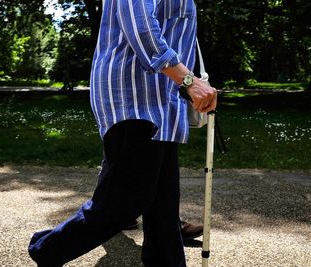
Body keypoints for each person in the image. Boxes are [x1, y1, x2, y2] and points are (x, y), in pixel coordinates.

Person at [28, 0, 217, 266]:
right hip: (134, 98)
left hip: (162, 100)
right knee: (125, 201)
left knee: (163, 208)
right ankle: (47, 249)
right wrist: (188, 80)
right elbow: (140, 27)